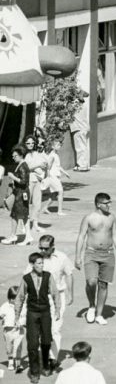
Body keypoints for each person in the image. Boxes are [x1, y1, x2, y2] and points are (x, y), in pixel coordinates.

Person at [75, 192, 116, 325]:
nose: (109, 205)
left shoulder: (112, 218)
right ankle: (91, 305)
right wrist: (77, 256)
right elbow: (81, 237)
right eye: (106, 203)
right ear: (98, 204)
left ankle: (99, 314)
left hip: (108, 253)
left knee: (103, 284)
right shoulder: (89, 218)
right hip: (91, 253)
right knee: (91, 282)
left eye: (109, 202)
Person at [14, 252, 60, 382]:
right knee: (33, 344)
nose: (41, 265)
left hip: (45, 312)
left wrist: (57, 309)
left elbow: (55, 293)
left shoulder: (48, 276)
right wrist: (16, 316)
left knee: (46, 341)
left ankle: (45, 365)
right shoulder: (26, 278)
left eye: (42, 263)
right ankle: (34, 371)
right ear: (32, 264)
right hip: (32, 313)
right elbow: (20, 298)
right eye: (39, 263)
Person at [4, 145, 32, 245]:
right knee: (20, 215)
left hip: (21, 193)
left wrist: (12, 177)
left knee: (18, 215)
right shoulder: (20, 165)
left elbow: (24, 181)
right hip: (20, 192)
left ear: (21, 155)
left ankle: (16, 236)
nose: (13, 157)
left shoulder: (23, 166)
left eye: (15, 156)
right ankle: (25, 236)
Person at [41, 138, 70, 216]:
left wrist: (65, 173)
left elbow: (58, 166)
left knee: (54, 194)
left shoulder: (56, 155)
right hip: (53, 177)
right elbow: (48, 166)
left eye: (59, 145)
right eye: (57, 145)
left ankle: (45, 208)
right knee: (61, 192)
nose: (59, 146)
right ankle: (59, 211)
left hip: (55, 176)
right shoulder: (52, 155)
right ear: (53, 147)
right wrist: (48, 175)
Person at [0, 286, 23, 374]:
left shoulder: (22, 306)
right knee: (9, 348)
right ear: (9, 298)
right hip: (8, 331)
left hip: (18, 330)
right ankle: (10, 361)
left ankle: (18, 364)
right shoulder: (5, 306)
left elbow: (25, 316)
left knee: (18, 347)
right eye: (13, 299)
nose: (16, 301)